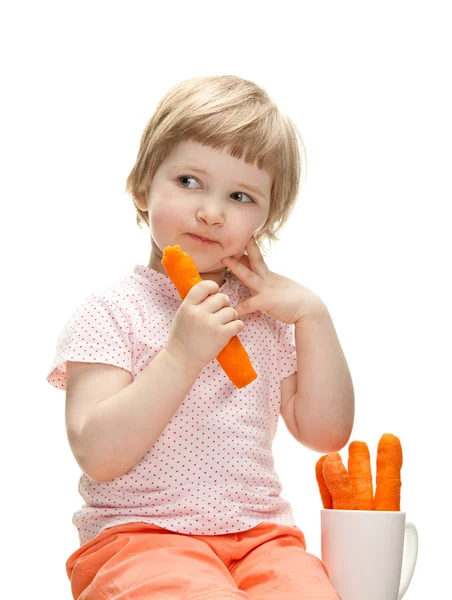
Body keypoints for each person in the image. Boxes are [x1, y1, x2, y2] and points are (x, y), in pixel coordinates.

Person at [47, 74, 354, 600]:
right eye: (189, 181)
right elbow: (96, 453)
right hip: (139, 539)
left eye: (240, 195)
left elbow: (325, 434)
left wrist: (313, 316)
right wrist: (181, 355)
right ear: (143, 187)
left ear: (266, 218)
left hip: (262, 540)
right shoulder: (112, 312)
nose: (211, 211)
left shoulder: (264, 314)